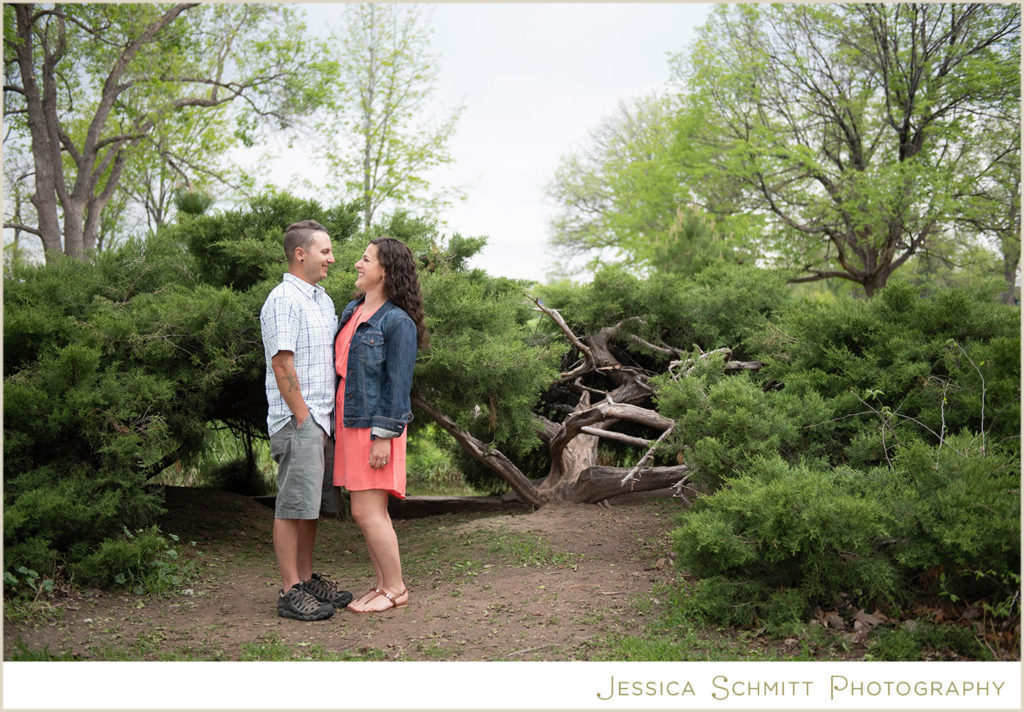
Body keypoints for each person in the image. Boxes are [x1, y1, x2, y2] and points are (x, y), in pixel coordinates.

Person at [260, 219, 353, 621]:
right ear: (301, 254)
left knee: (309, 506)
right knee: (291, 505)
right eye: (325, 251)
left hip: (321, 420)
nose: (332, 258)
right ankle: (289, 590)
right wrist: (303, 418)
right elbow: (282, 362)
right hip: (300, 420)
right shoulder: (283, 299)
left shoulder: (322, 300)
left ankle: (305, 577)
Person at [334, 237, 429, 613]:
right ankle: (382, 585)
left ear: (385, 271)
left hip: (375, 427)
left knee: (367, 511)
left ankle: (396, 589)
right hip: (350, 421)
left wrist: (383, 437)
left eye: (365, 259)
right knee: (365, 511)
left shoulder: (398, 322)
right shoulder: (352, 311)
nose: (357, 264)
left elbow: (398, 385)